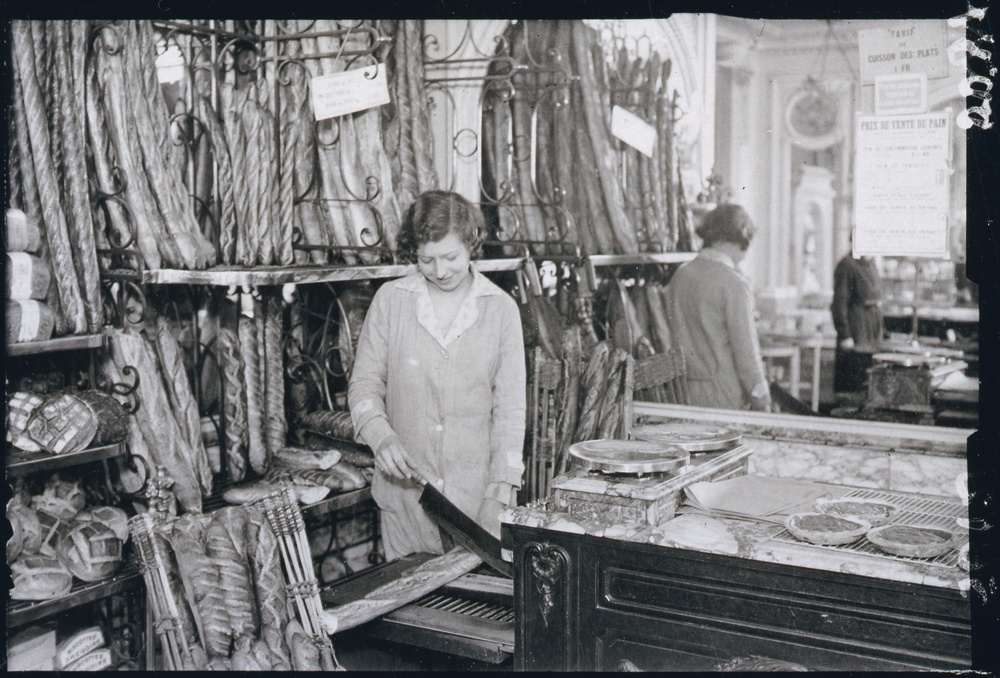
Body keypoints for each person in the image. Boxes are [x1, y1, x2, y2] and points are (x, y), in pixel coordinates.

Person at [348, 190, 526, 561]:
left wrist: (498, 494)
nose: (440, 271)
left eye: (450, 257)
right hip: (405, 503)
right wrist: (381, 439)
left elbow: (510, 412)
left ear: (472, 244)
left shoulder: (501, 311)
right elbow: (363, 386)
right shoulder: (390, 301)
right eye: (426, 260)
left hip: (475, 507)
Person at [664, 204, 771, 411]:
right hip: (724, 396)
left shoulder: (680, 276)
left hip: (683, 392)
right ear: (741, 238)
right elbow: (746, 354)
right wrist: (762, 399)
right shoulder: (734, 283)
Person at [831, 243, 884, 392]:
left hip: (871, 338)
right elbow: (839, 305)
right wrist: (845, 334)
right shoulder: (847, 265)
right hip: (855, 340)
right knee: (852, 388)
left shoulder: (871, 265)